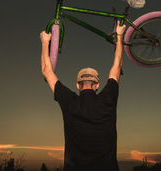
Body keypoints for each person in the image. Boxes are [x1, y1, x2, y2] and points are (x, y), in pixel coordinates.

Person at [40, 21, 126, 171]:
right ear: (97, 85)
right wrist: (119, 35)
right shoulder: (108, 98)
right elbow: (117, 65)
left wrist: (44, 42)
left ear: (78, 85)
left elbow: (46, 70)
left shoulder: (69, 101)